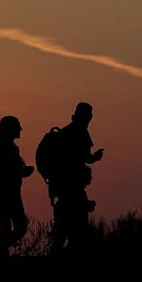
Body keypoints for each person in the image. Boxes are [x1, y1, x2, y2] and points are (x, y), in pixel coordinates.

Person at [50, 102, 104, 254]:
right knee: (79, 233)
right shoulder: (80, 132)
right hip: (74, 190)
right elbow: (87, 158)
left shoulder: (64, 133)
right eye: (89, 115)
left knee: (61, 233)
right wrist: (96, 157)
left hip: (62, 189)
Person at [0, 116, 34, 257]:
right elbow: (7, 171)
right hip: (7, 194)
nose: (20, 129)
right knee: (17, 227)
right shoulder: (5, 148)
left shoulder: (7, 147)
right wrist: (22, 171)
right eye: (17, 126)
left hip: (7, 194)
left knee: (7, 228)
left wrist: (23, 172)